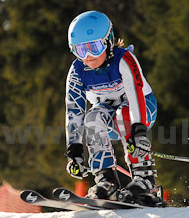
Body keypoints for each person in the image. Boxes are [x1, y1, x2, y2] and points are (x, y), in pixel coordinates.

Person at [64, 10, 165, 207]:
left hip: (142, 110)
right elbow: (74, 111)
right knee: (92, 118)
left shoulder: (124, 59)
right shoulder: (77, 71)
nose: (88, 56)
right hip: (111, 117)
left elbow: (136, 95)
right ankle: (106, 180)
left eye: (94, 47)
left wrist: (139, 131)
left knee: (124, 113)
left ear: (108, 41)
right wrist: (74, 150)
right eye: (80, 50)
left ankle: (144, 180)